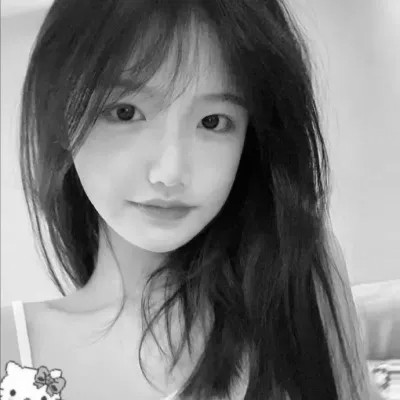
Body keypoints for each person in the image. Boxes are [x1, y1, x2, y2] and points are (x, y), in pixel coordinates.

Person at [0, 0, 385, 399]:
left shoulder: (294, 275)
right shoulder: (14, 351)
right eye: (125, 112)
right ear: (61, 118)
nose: (170, 172)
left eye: (213, 122)